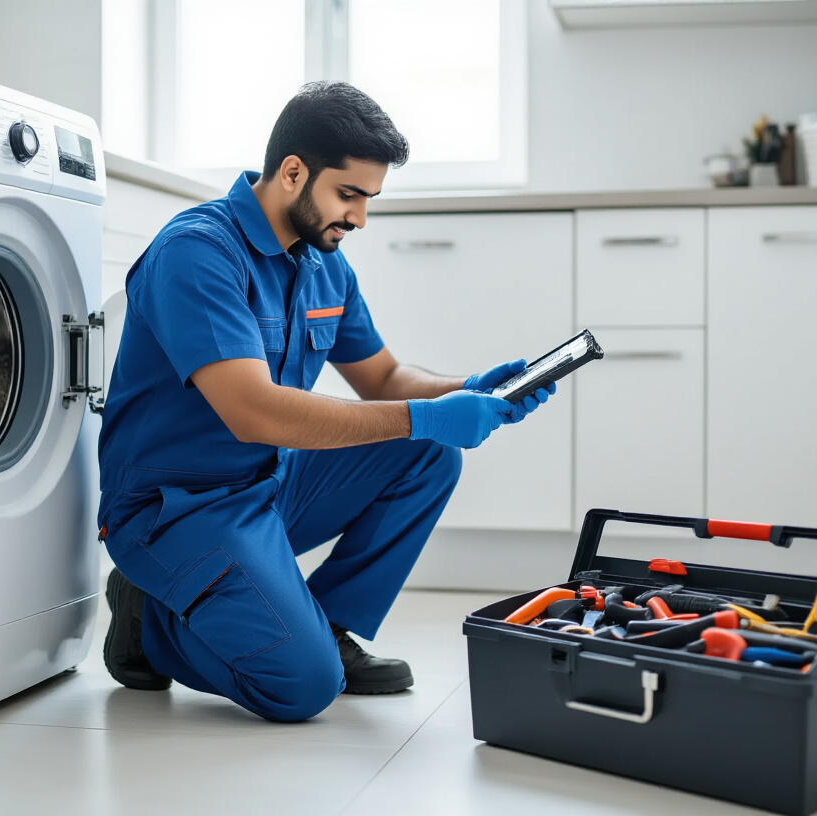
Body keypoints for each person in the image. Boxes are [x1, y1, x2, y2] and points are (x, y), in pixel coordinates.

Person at [97, 82, 555, 723]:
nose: (360, 218)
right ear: (292, 173)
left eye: (369, 199)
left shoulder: (323, 262)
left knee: (428, 452)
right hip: (177, 509)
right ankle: (150, 621)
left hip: (266, 484)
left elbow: (387, 378)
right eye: (349, 195)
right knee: (303, 688)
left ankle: (329, 627)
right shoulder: (198, 252)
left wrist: (468, 390)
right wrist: (424, 415)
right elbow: (253, 410)